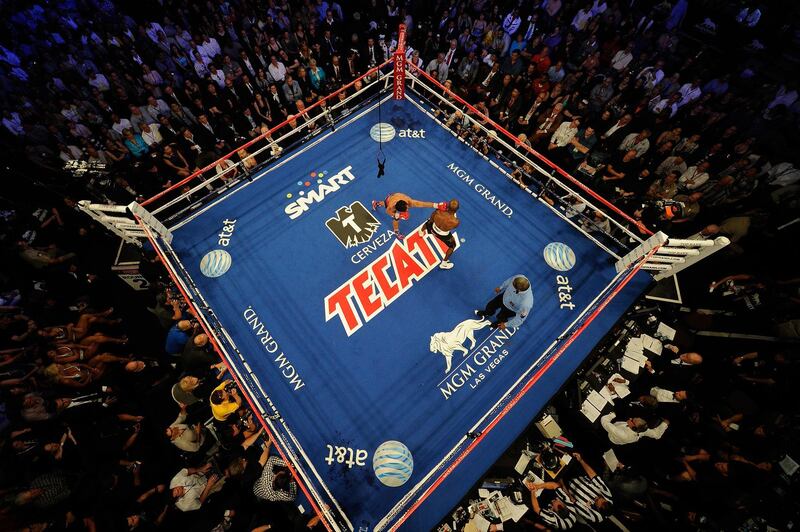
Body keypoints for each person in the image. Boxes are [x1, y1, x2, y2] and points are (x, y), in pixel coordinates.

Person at [371, 193, 448, 240]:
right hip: (389, 200)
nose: (408, 208)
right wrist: (396, 215)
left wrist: (436, 205)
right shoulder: (391, 206)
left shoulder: (407, 201)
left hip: (397, 196)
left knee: (415, 204)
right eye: (406, 209)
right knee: (396, 219)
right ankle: (396, 232)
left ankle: (376, 203)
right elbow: (387, 211)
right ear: (400, 210)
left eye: (407, 207)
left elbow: (421, 204)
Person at [423, 199, 460, 269]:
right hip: (443, 235)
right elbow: (452, 227)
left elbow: (431, 219)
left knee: (428, 222)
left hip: (433, 227)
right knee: (453, 246)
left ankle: (421, 232)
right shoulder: (456, 221)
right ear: (457, 209)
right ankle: (444, 263)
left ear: (447, 205)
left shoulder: (438, 212)